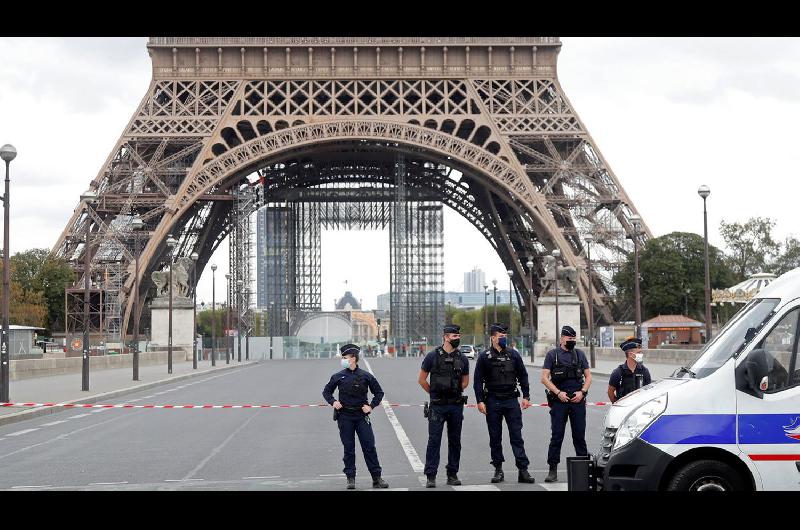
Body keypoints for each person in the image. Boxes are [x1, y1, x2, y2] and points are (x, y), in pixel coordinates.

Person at [473, 323, 535, 484]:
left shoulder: (513, 355)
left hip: (511, 400)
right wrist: (480, 400)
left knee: (517, 436)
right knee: (495, 437)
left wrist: (526, 396)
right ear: (493, 337)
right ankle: (498, 469)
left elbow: (523, 376)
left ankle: (523, 470)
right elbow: (477, 381)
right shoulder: (484, 357)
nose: (503, 338)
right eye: (500, 336)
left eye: (505, 336)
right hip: (492, 400)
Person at [322, 344, 389, 489]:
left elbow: (379, 393)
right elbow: (326, 392)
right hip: (344, 416)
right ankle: (350, 478)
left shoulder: (366, 376)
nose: (343, 360)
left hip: (361, 416)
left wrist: (370, 406)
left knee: (369, 446)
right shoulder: (338, 376)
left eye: (345, 358)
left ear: (353, 358)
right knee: (349, 448)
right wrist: (333, 402)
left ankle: (377, 478)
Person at [418, 324, 470, 488]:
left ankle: (452, 474)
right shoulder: (432, 356)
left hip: (455, 405)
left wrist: (454, 391)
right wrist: (434, 394)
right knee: (434, 441)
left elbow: (465, 381)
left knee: (455, 441)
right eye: (455, 337)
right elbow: (422, 379)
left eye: (458, 336)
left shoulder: (462, 358)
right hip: (437, 406)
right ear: (446, 337)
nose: (457, 339)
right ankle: (431, 476)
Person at [540, 325, 592, 483]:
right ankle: (552, 469)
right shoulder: (552, 355)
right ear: (562, 339)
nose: (572, 341)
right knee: (556, 436)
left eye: (574, 339)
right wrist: (558, 393)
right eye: (570, 339)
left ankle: (584, 470)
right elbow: (544, 378)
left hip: (577, 400)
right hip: (559, 401)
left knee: (579, 437)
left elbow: (588, 377)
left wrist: (582, 392)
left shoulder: (579, 354)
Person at [607, 337, 652, 403]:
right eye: (638, 353)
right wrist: (616, 404)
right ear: (630, 354)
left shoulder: (644, 371)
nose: (641, 355)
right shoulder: (618, 372)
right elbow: (610, 391)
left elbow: (649, 391)